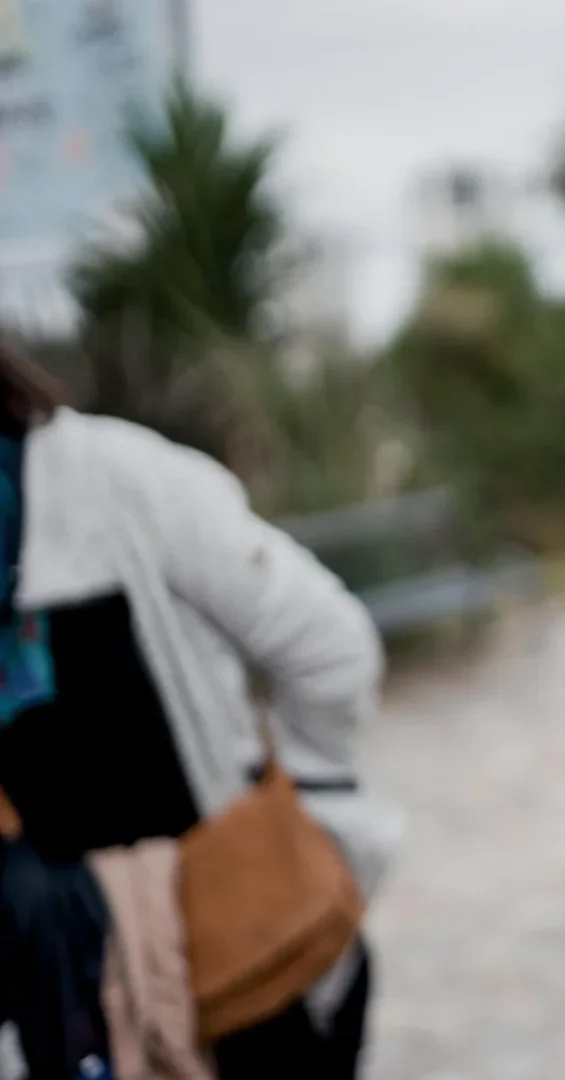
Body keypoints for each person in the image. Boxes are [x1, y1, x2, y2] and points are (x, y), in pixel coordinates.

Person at [0, 341, 400, 1079]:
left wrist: (305, 807)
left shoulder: (121, 480)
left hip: (255, 974)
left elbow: (331, 649)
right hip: (81, 1010)